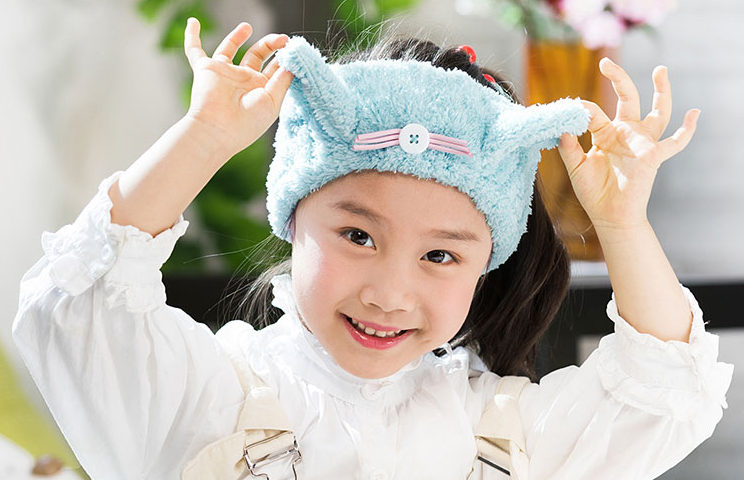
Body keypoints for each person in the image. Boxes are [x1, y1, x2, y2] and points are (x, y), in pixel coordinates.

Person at [12, 17, 734, 480]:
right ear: (293, 219)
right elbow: (74, 308)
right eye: (358, 236)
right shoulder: (201, 397)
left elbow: (664, 394)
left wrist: (623, 224)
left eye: (440, 256)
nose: (389, 293)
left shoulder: (509, 435)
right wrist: (201, 140)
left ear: (486, 267)